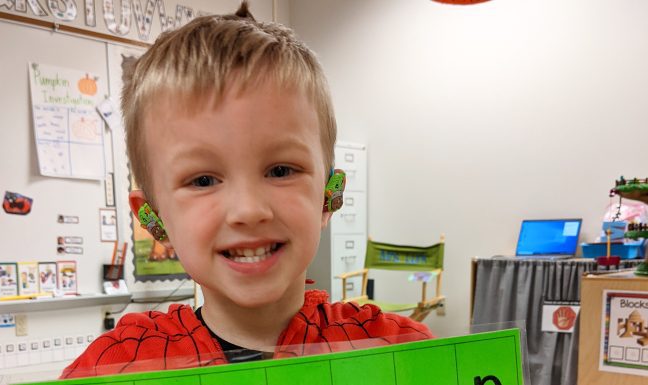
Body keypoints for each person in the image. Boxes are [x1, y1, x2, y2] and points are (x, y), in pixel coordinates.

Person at [61, 2, 433, 379]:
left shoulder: (403, 351)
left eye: (281, 170)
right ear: (154, 218)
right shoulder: (114, 367)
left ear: (328, 195)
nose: (249, 209)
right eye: (203, 180)